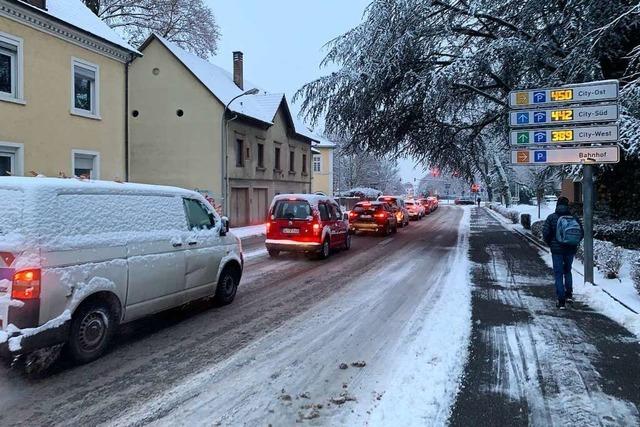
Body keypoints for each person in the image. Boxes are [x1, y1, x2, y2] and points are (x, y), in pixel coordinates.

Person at [542, 196, 584, 309]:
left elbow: (545, 233)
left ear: (557, 205)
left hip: (557, 250)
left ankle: (561, 301)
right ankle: (569, 295)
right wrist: (573, 243)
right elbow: (581, 233)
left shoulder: (551, 218)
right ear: (567, 205)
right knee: (568, 271)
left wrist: (551, 243)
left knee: (558, 273)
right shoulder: (574, 218)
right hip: (570, 249)